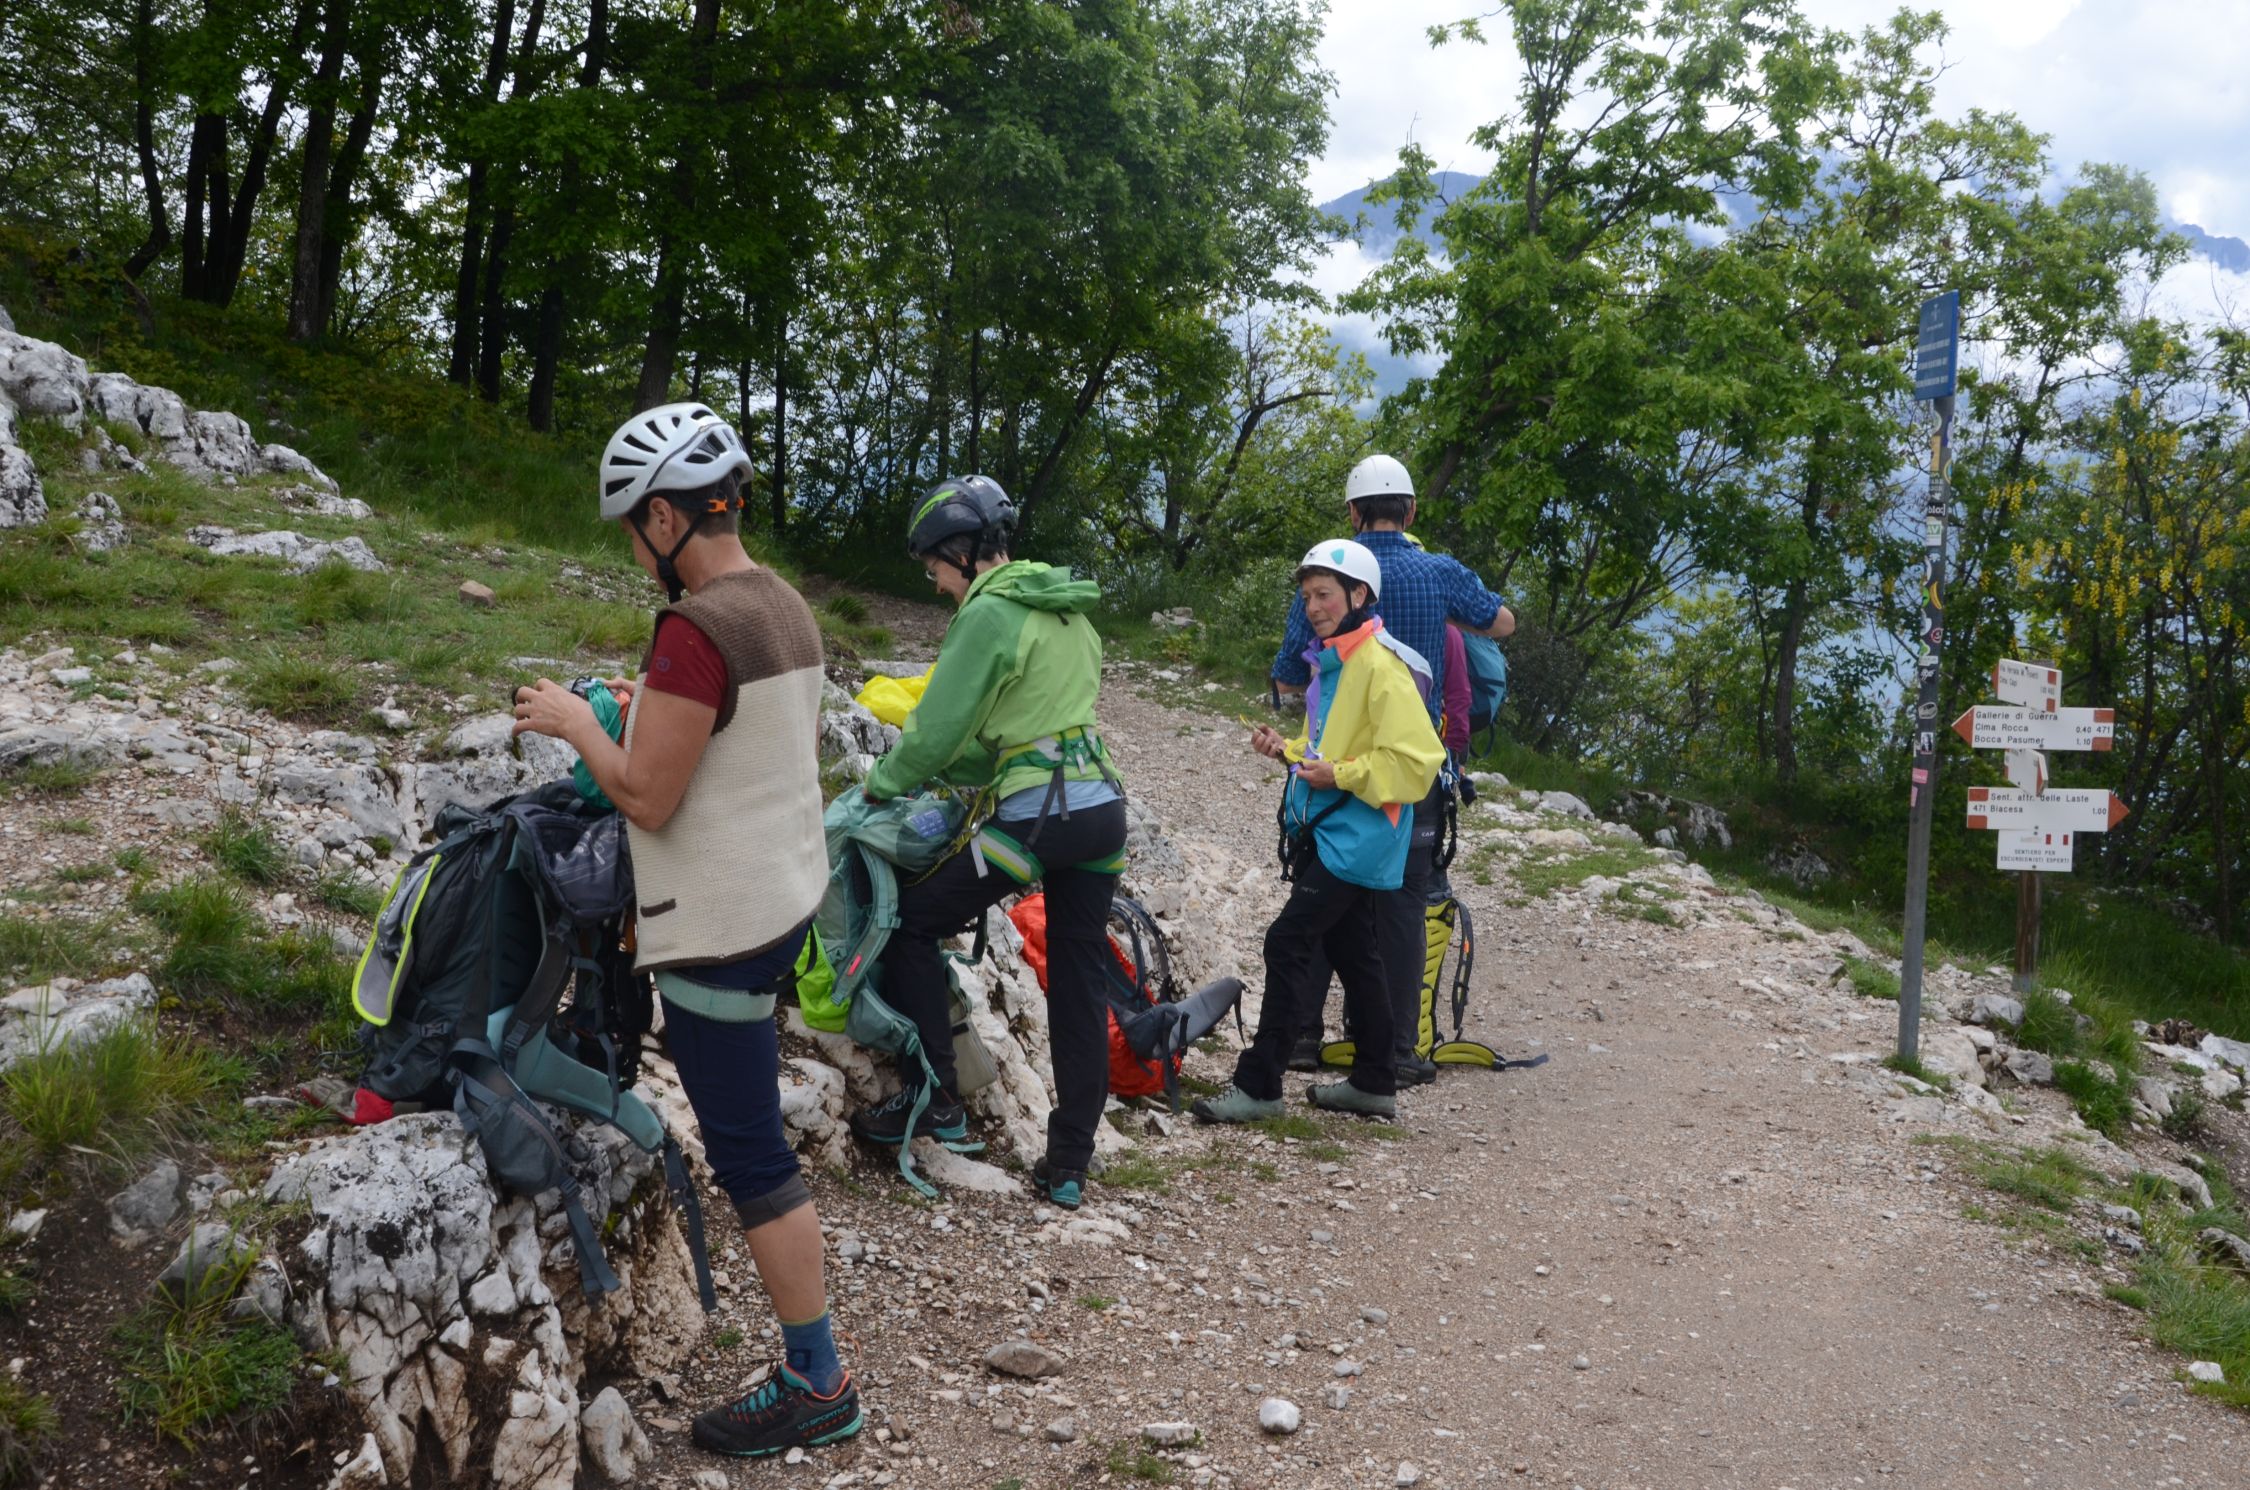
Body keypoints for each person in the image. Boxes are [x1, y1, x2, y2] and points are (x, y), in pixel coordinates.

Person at [510, 402, 861, 1460]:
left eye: (633, 526)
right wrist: (650, 705)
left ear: (666, 517)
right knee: (756, 1141)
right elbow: (744, 741)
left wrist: (580, 723)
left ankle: (818, 1379)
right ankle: (814, 1364)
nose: (634, 547)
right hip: (782, 902)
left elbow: (648, 798)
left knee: (751, 1153)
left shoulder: (695, 627)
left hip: (719, 925)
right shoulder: (781, 603)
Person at [848, 475, 1127, 1211]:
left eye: (934, 569)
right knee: (1080, 980)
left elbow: (940, 729)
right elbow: (1017, 735)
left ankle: (936, 1098)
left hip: (1039, 819)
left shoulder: (989, 613)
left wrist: (883, 783)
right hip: (1101, 811)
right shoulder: (1068, 612)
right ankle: (1068, 1164)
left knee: (913, 922)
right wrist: (955, 771)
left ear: (962, 551)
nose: (938, 585)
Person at [1270, 455, 1513, 1086]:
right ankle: (1398, 1049)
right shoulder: (1440, 572)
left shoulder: (1329, 578)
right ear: (1411, 510)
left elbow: (1289, 675)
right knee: (1404, 904)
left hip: (1336, 763)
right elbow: (1504, 623)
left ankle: (1301, 1037)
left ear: (1353, 512)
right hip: (1413, 767)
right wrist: (1445, 618)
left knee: (1321, 884)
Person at [1196, 539, 1444, 1124]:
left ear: (1359, 595)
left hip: (1359, 837)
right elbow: (1329, 749)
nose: (1312, 607)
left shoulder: (1380, 667)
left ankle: (1260, 1086)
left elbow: (1417, 764)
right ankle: (1374, 1081)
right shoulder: (1336, 663)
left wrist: (1340, 775)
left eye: (1324, 595)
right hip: (1340, 831)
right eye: (1307, 596)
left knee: (1288, 940)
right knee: (1351, 948)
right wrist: (1286, 750)